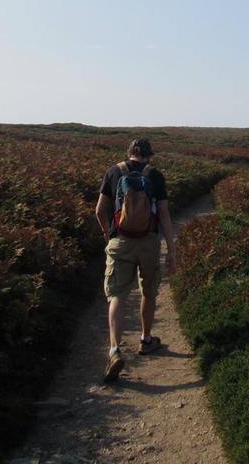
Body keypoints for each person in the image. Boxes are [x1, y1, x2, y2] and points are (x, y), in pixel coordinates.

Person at [95, 138, 177, 382]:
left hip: (120, 241)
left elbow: (99, 210)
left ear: (129, 152)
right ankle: (146, 339)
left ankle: (114, 351)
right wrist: (171, 249)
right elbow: (164, 214)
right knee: (148, 292)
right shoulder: (155, 175)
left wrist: (107, 234)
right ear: (149, 155)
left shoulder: (113, 171)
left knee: (117, 295)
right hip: (148, 242)